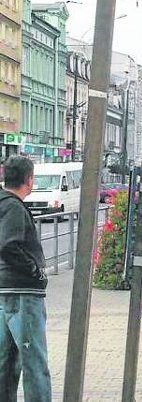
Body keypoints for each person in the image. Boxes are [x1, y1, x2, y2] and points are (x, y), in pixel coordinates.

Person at [0, 156, 52, 401]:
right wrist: (35, 271)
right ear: (29, 180)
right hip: (22, 292)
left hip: (4, 290)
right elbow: (9, 246)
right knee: (34, 363)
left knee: (6, 362)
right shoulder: (14, 207)